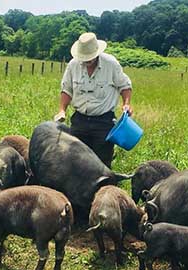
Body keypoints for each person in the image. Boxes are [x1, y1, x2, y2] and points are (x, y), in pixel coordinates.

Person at [54, 32, 133, 168]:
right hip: (80, 120)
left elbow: (125, 86)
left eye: (90, 57)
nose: (87, 61)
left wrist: (126, 104)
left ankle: (104, 188)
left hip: (103, 122)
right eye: (84, 58)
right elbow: (67, 90)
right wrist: (62, 110)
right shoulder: (73, 65)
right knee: (75, 161)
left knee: (101, 164)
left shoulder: (111, 64)